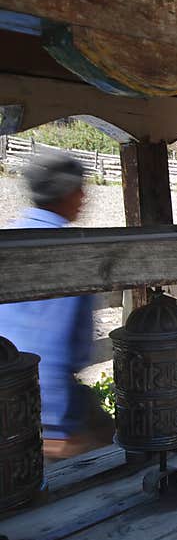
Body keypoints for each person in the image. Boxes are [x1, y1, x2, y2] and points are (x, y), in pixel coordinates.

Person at [0, 152, 112, 460]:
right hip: (39, 401)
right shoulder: (68, 253)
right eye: (81, 190)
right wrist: (59, 429)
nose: (85, 198)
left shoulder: (9, 234)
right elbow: (49, 346)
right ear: (69, 193)